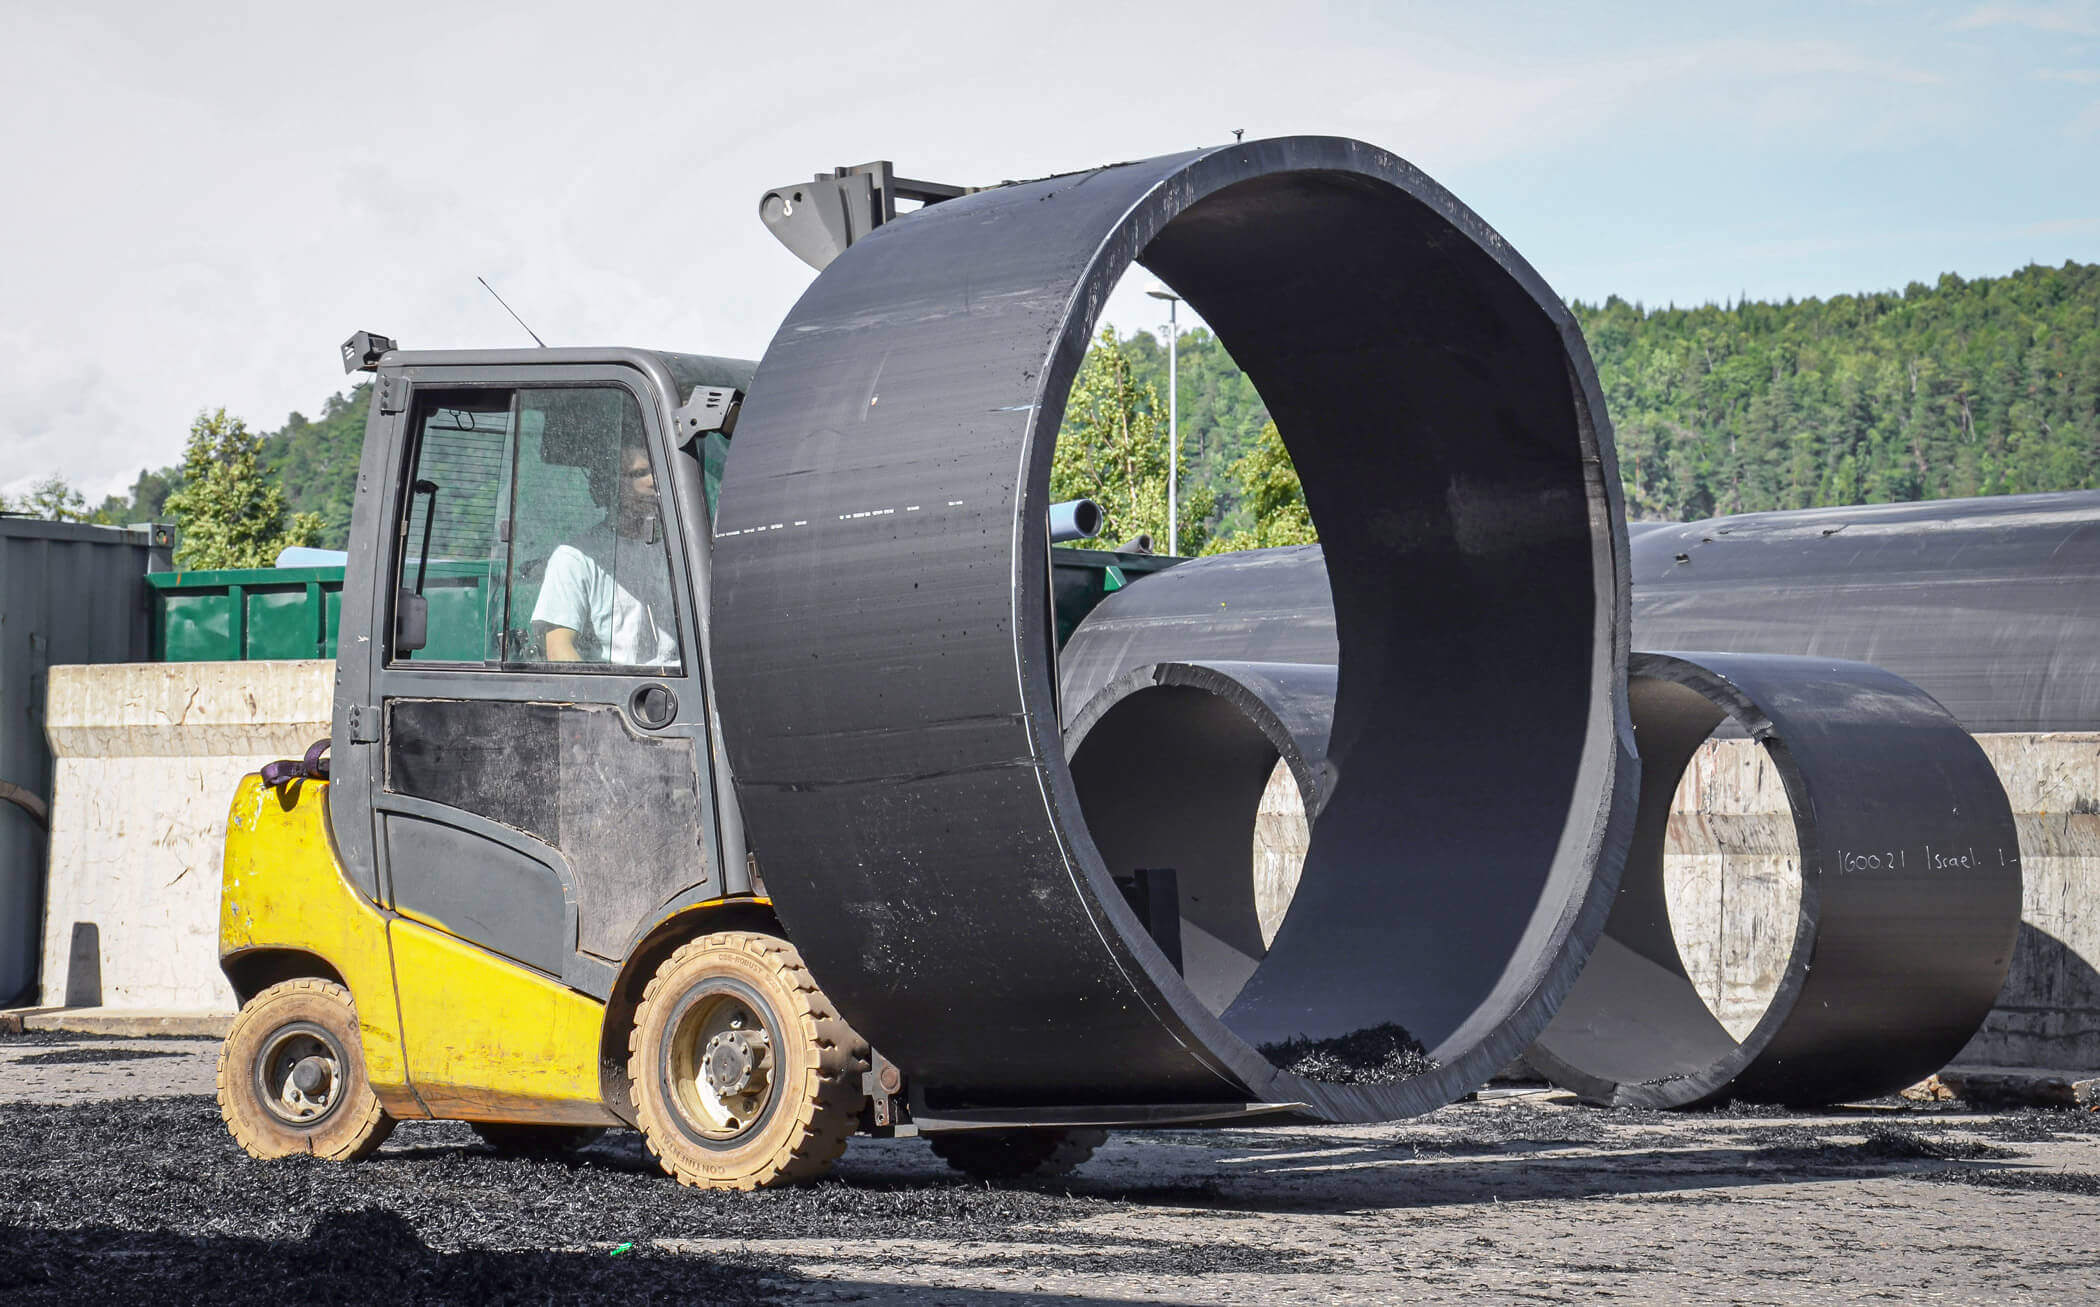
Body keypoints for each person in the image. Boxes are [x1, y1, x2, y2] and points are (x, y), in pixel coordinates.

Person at [531, 441, 679, 666]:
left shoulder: (678, 554)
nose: (653, 482)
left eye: (657, 472)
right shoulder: (575, 558)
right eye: (639, 473)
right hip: (616, 692)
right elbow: (559, 648)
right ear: (608, 485)